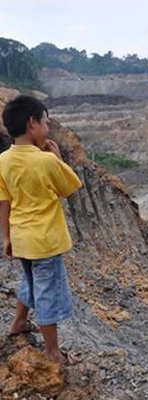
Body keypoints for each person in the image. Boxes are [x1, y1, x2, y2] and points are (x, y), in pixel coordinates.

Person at [0, 95, 82, 364]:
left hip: (21, 239)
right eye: (46, 123)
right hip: (45, 241)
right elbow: (70, 189)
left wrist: (6, 237)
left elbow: (3, 201)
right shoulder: (46, 161)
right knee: (47, 292)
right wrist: (57, 158)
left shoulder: (2, 161)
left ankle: (18, 322)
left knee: (31, 280)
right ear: (32, 123)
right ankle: (53, 352)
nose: (48, 129)